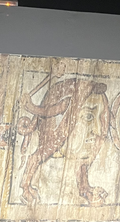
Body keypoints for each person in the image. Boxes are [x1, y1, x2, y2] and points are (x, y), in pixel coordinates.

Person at [17, 78, 110, 206]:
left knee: (83, 158)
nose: (97, 129)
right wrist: (30, 107)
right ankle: (25, 186)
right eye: (88, 116)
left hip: (74, 139)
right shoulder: (71, 103)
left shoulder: (92, 102)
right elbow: (47, 112)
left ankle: (84, 187)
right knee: (40, 154)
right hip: (60, 133)